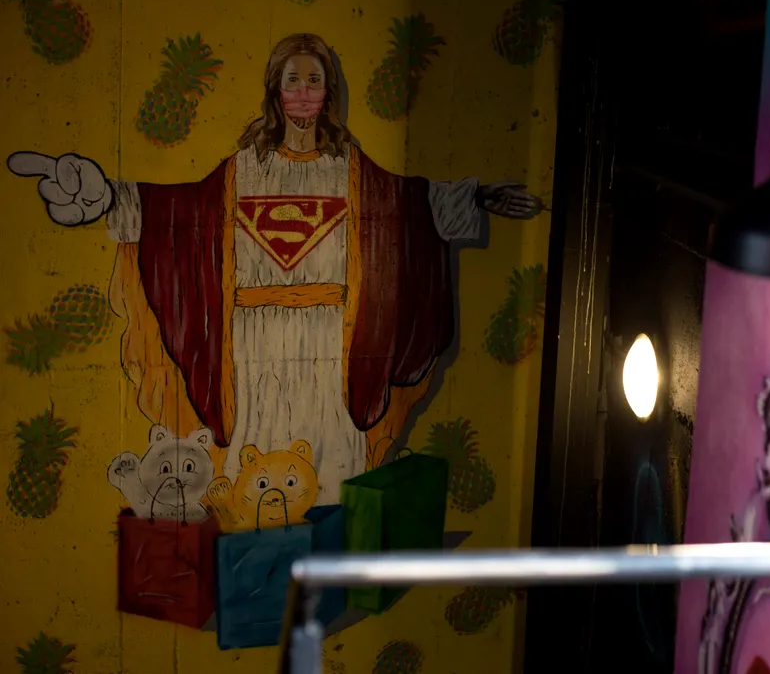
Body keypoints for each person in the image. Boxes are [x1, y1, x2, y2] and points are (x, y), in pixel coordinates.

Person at [7, 32, 542, 505]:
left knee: (331, 456)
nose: (304, 91)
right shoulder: (243, 169)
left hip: (330, 341)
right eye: (293, 80)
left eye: (315, 80)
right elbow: (181, 214)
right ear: (275, 91)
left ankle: (324, 548)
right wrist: (107, 197)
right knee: (256, 454)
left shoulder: (350, 170)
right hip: (254, 341)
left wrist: (478, 196)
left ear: (329, 92)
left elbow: (406, 206)